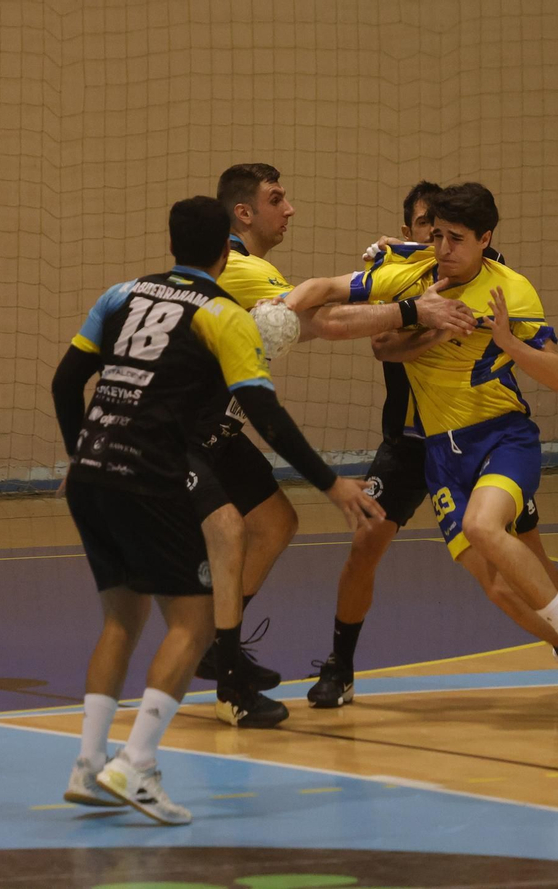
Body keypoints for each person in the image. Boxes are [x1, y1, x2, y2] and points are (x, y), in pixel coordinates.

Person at [50, 196, 379, 824]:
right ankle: (136, 764)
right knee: (194, 626)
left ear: (171, 243)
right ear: (227, 251)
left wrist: (77, 453)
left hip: (92, 472)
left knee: (121, 621)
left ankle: (88, 765)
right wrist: (331, 483)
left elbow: (67, 383)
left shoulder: (120, 294)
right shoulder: (224, 315)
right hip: (148, 474)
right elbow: (265, 416)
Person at [286, 183, 558, 719]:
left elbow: (556, 374)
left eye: (451, 236)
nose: (439, 245)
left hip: (498, 436)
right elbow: (356, 323)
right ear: (412, 230)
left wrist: (510, 343)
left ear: (484, 240)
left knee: (508, 547)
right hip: (426, 447)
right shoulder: (404, 275)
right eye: (431, 232)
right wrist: (278, 311)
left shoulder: (506, 287)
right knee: (489, 583)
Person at [193, 164, 474, 729]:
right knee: (228, 536)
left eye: (445, 231)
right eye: (278, 199)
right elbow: (327, 322)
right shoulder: (242, 270)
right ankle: (222, 662)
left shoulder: (465, 274)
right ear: (243, 213)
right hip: (188, 433)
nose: (290, 208)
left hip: (226, 429)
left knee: (275, 524)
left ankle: (216, 648)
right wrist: (417, 309)